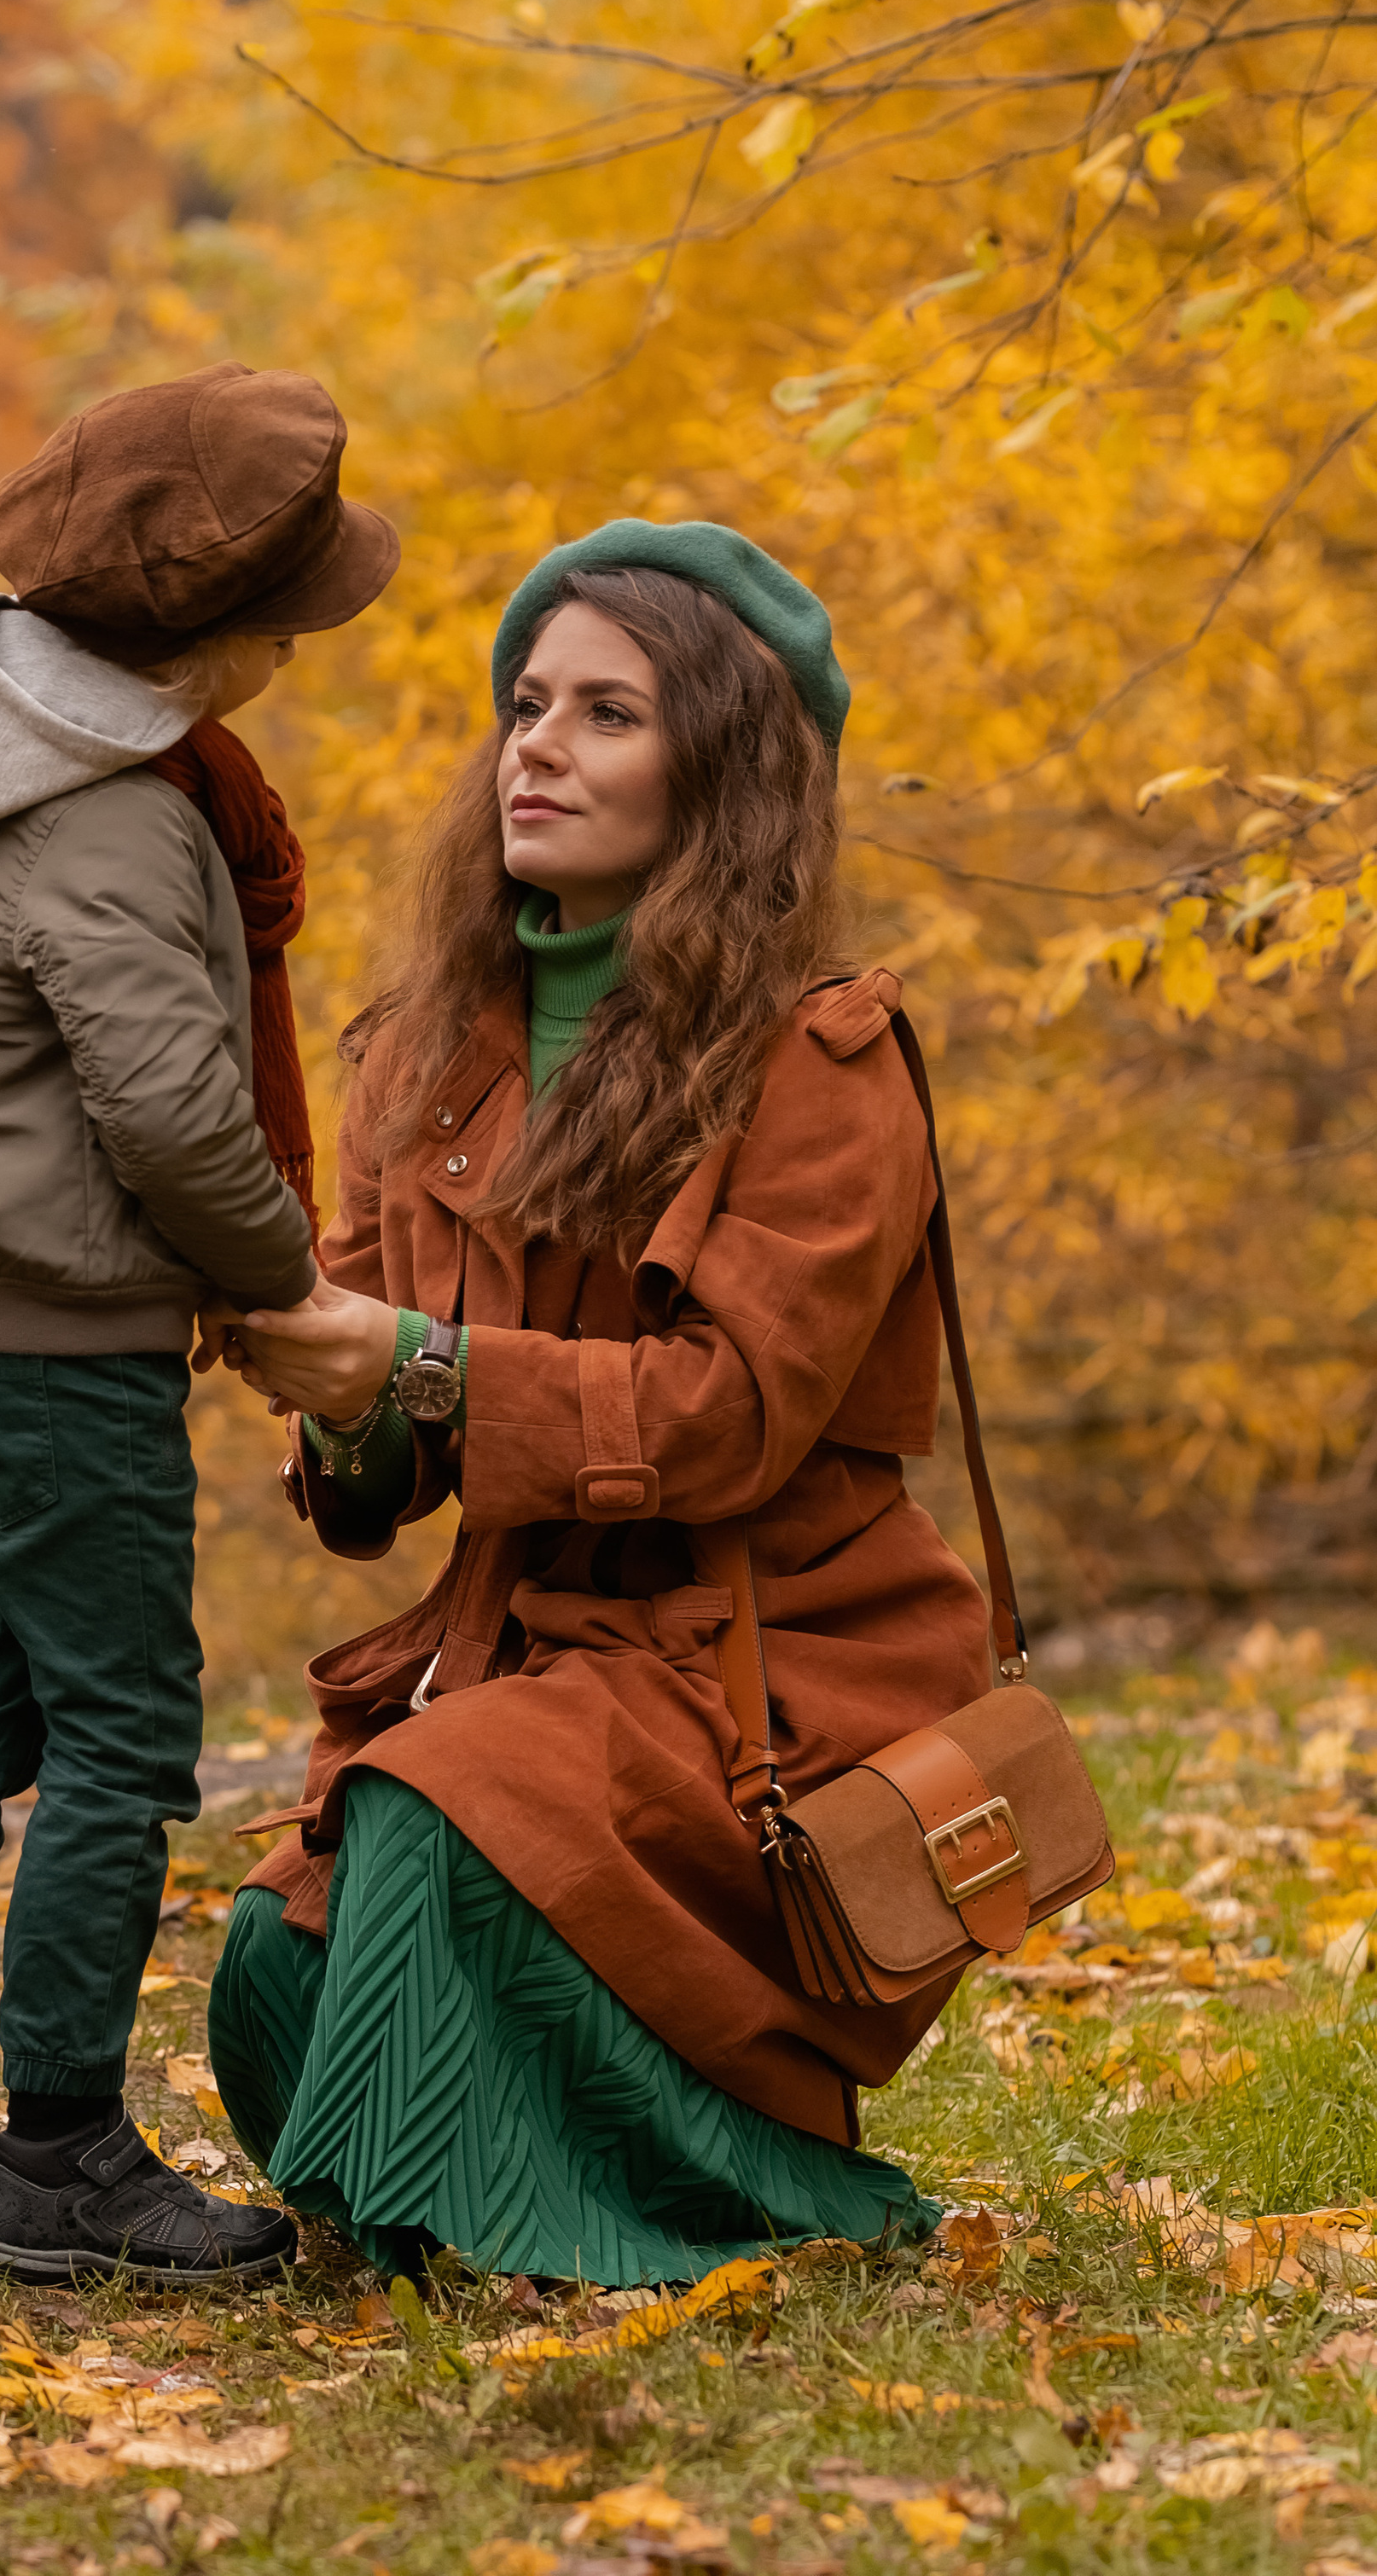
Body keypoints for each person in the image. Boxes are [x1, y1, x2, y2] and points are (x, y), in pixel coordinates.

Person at [205, 520, 988, 2287]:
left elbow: (723, 1416)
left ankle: (748, 2211)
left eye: (605, 713)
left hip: (765, 1659)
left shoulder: (821, 1061)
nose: (533, 746)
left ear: (720, 772)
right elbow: (375, 1478)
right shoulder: (425, 1042)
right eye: (524, 705)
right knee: (273, 1962)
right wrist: (335, 1394)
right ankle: (464, 2194)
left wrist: (411, 1366)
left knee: (447, 1799)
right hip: (525, 1644)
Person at [0, 360, 398, 2287]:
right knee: (123, 1732)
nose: (293, 659)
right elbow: (165, 1106)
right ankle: (56, 2152)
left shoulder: (18, 773)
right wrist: (279, 1286)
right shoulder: (121, 825)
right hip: (57, 1350)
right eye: (285, 627)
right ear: (211, 645)